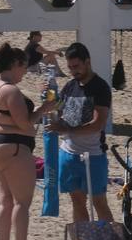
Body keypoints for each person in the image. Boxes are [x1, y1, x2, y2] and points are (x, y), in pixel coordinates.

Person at [0, 43, 58, 240]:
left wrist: (37, 110)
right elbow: (24, 124)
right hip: (15, 147)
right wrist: (43, 110)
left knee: (5, 200)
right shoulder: (11, 90)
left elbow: (7, 118)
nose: (25, 71)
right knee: (22, 202)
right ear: (15, 64)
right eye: (24, 67)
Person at [49, 42, 114, 224]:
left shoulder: (100, 88)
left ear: (87, 62)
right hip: (69, 153)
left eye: (76, 66)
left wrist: (66, 129)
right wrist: (49, 99)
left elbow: (98, 123)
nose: (73, 71)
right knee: (77, 201)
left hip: (93, 155)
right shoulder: (70, 86)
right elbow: (57, 111)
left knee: (99, 202)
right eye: (70, 67)